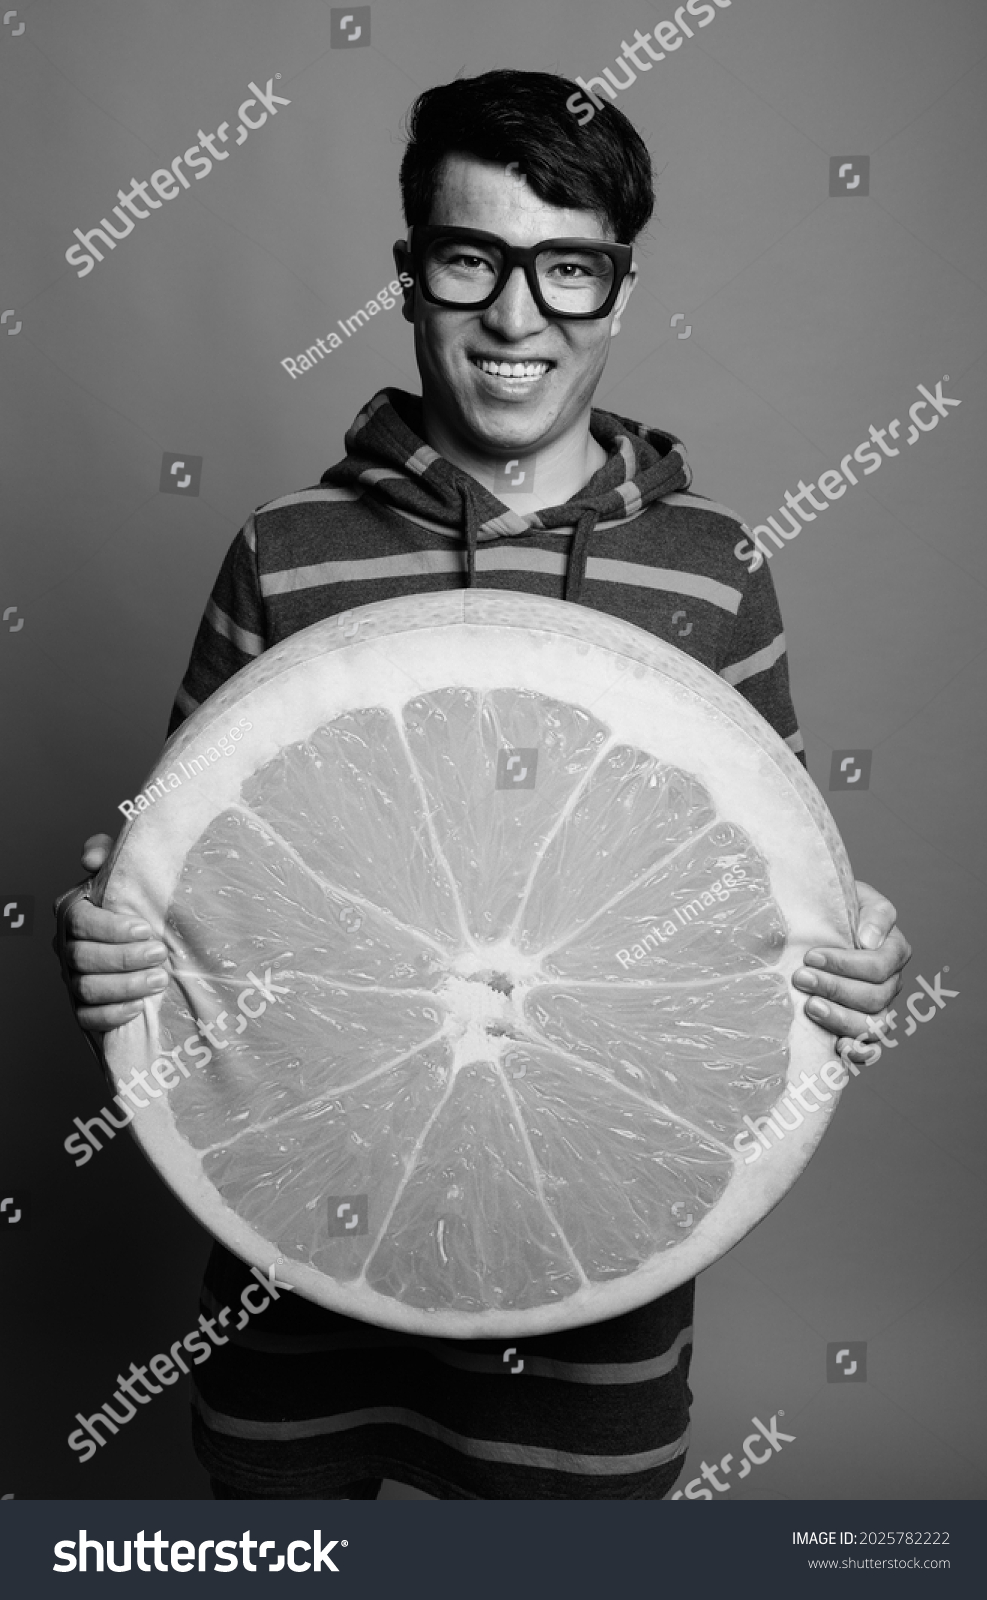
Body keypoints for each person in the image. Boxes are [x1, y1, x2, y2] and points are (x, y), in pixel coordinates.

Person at [55, 69, 911, 1501]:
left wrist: (854, 971)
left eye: (567, 268)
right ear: (408, 278)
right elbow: (192, 882)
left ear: (617, 292)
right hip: (293, 1296)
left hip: (590, 1333)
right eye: (472, 258)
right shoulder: (285, 551)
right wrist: (109, 931)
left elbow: (748, 898)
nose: (517, 317)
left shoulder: (713, 570)